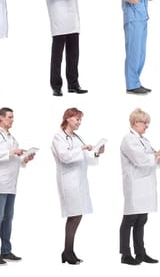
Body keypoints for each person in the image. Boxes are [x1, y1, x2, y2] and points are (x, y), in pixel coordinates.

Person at [50, 107, 104, 264]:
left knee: (76, 215)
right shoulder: (58, 137)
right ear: (67, 118)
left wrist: (96, 152)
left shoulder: (76, 137)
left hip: (79, 181)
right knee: (74, 216)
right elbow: (64, 157)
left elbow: (85, 158)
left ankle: (68, 251)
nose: (79, 122)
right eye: (77, 119)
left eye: (80, 119)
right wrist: (81, 148)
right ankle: (68, 252)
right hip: (68, 182)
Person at [118, 108, 160, 265]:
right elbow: (140, 160)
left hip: (146, 185)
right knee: (130, 219)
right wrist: (156, 155)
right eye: (145, 123)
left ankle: (141, 252)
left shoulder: (144, 140)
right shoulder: (128, 139)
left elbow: (152, 159)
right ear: (135, 123)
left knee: (142, 219)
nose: (147, 126)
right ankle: (125, 254)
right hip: (134, 185)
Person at [42, 0, 95, 97]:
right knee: (57, 56)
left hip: (72, 18)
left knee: (73, 54)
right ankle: (56, 86)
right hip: (59, 16)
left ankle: (73, 84)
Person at [0, 107, 34, 266]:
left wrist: (24, 159)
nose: (12, 120)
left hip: (11, 185)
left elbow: (15, 160)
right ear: (1, 118)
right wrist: (13, 152)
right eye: (9, 117)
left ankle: (6, 251)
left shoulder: (12, 138)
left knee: (8, 219)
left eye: (13, 117)